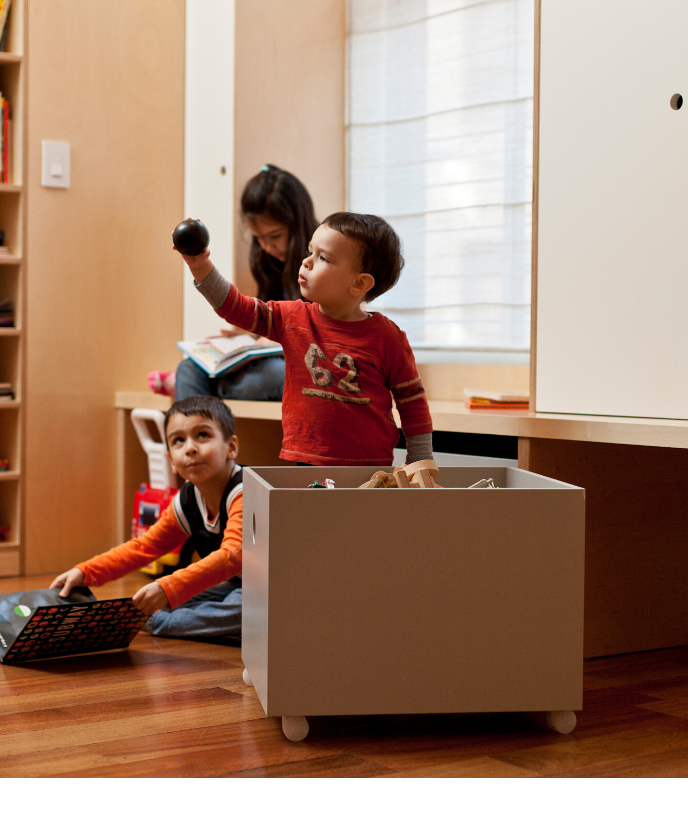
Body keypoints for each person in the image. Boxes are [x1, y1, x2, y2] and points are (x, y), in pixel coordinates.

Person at [176, 211, 434, 466]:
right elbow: (235, 307)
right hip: (307, 461)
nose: (306, 262)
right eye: (310, 251)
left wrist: (420, 459)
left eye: (322, 257)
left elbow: (412, 402)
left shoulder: (388, 338)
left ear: (358, 284)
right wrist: (200, 265)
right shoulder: (291, 317)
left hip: (370, 468)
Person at [50, 395, 244, 639]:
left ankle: (159, 623)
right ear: (171, 461)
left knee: (193, 614)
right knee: (166, 603)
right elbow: (145, 547)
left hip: (275, 590)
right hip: (237, 585)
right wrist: (85, 572)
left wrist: (167, 586)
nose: (191, 447)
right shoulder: (186, 501)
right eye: (178, 440)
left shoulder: (244, 492)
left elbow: (232, 556)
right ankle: (166, 619)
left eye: (203, 435)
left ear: (232, 447)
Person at [149, 164, 318, 401]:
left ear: (297, 223)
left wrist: (267, 340)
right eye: (259, 239)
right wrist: (246, 339)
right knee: (188, 367)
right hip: (268, 356)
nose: (268, 247)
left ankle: (201, 390)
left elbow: (322, 333)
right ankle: (195, 396)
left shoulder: (321, 264)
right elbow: (258, 315)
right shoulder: (268, 263)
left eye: (275, 236)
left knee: (278, 376)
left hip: (299, 363)